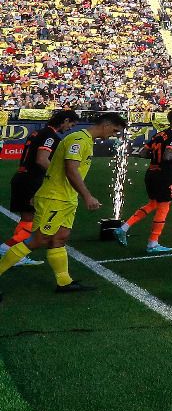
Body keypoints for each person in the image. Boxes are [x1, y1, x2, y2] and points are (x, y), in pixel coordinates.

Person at [0, 112, 127, 293]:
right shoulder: (79, 139)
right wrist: (87, 196)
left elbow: (60, 168)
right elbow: (70, 169)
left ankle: (64, 282)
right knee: (38, 239)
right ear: (106, 124)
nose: (113, 134)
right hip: (55, 198)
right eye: (114, 130)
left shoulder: (86, 141)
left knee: (60, 237)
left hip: (67, 199)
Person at [5, 108, 77, 262]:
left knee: (26, 220)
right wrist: (58, 176)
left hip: (22, 177)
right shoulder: (50, 136)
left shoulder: (38, 132)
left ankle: (15, 255)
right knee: (35, 223)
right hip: (31, 180)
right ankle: (6, 249)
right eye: (71, 124)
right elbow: (42, 159)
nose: (71, 128)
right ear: (65, 121)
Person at [117, 107, 172, 253]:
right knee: (164, 206)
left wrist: (156, 156)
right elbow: (168, 156)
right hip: (164, 176)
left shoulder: (159, 134)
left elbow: (143, 153)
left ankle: (123, 228)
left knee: (153, 204)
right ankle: (153, 243)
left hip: (151, 173)